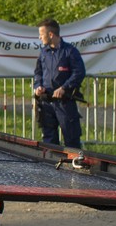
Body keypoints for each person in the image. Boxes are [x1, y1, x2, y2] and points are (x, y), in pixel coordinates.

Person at [32, 18, 85, 148]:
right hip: (46, 102)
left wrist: (65, 87)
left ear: (51, 34)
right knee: (49, 141)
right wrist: (38, 86)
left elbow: (79, 72)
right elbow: (38, 72)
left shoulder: (70, 51)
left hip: (64, 102)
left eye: (41, 34)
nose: (39, 37)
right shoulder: (44, 52)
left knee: (71, 139)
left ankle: (72, 167)